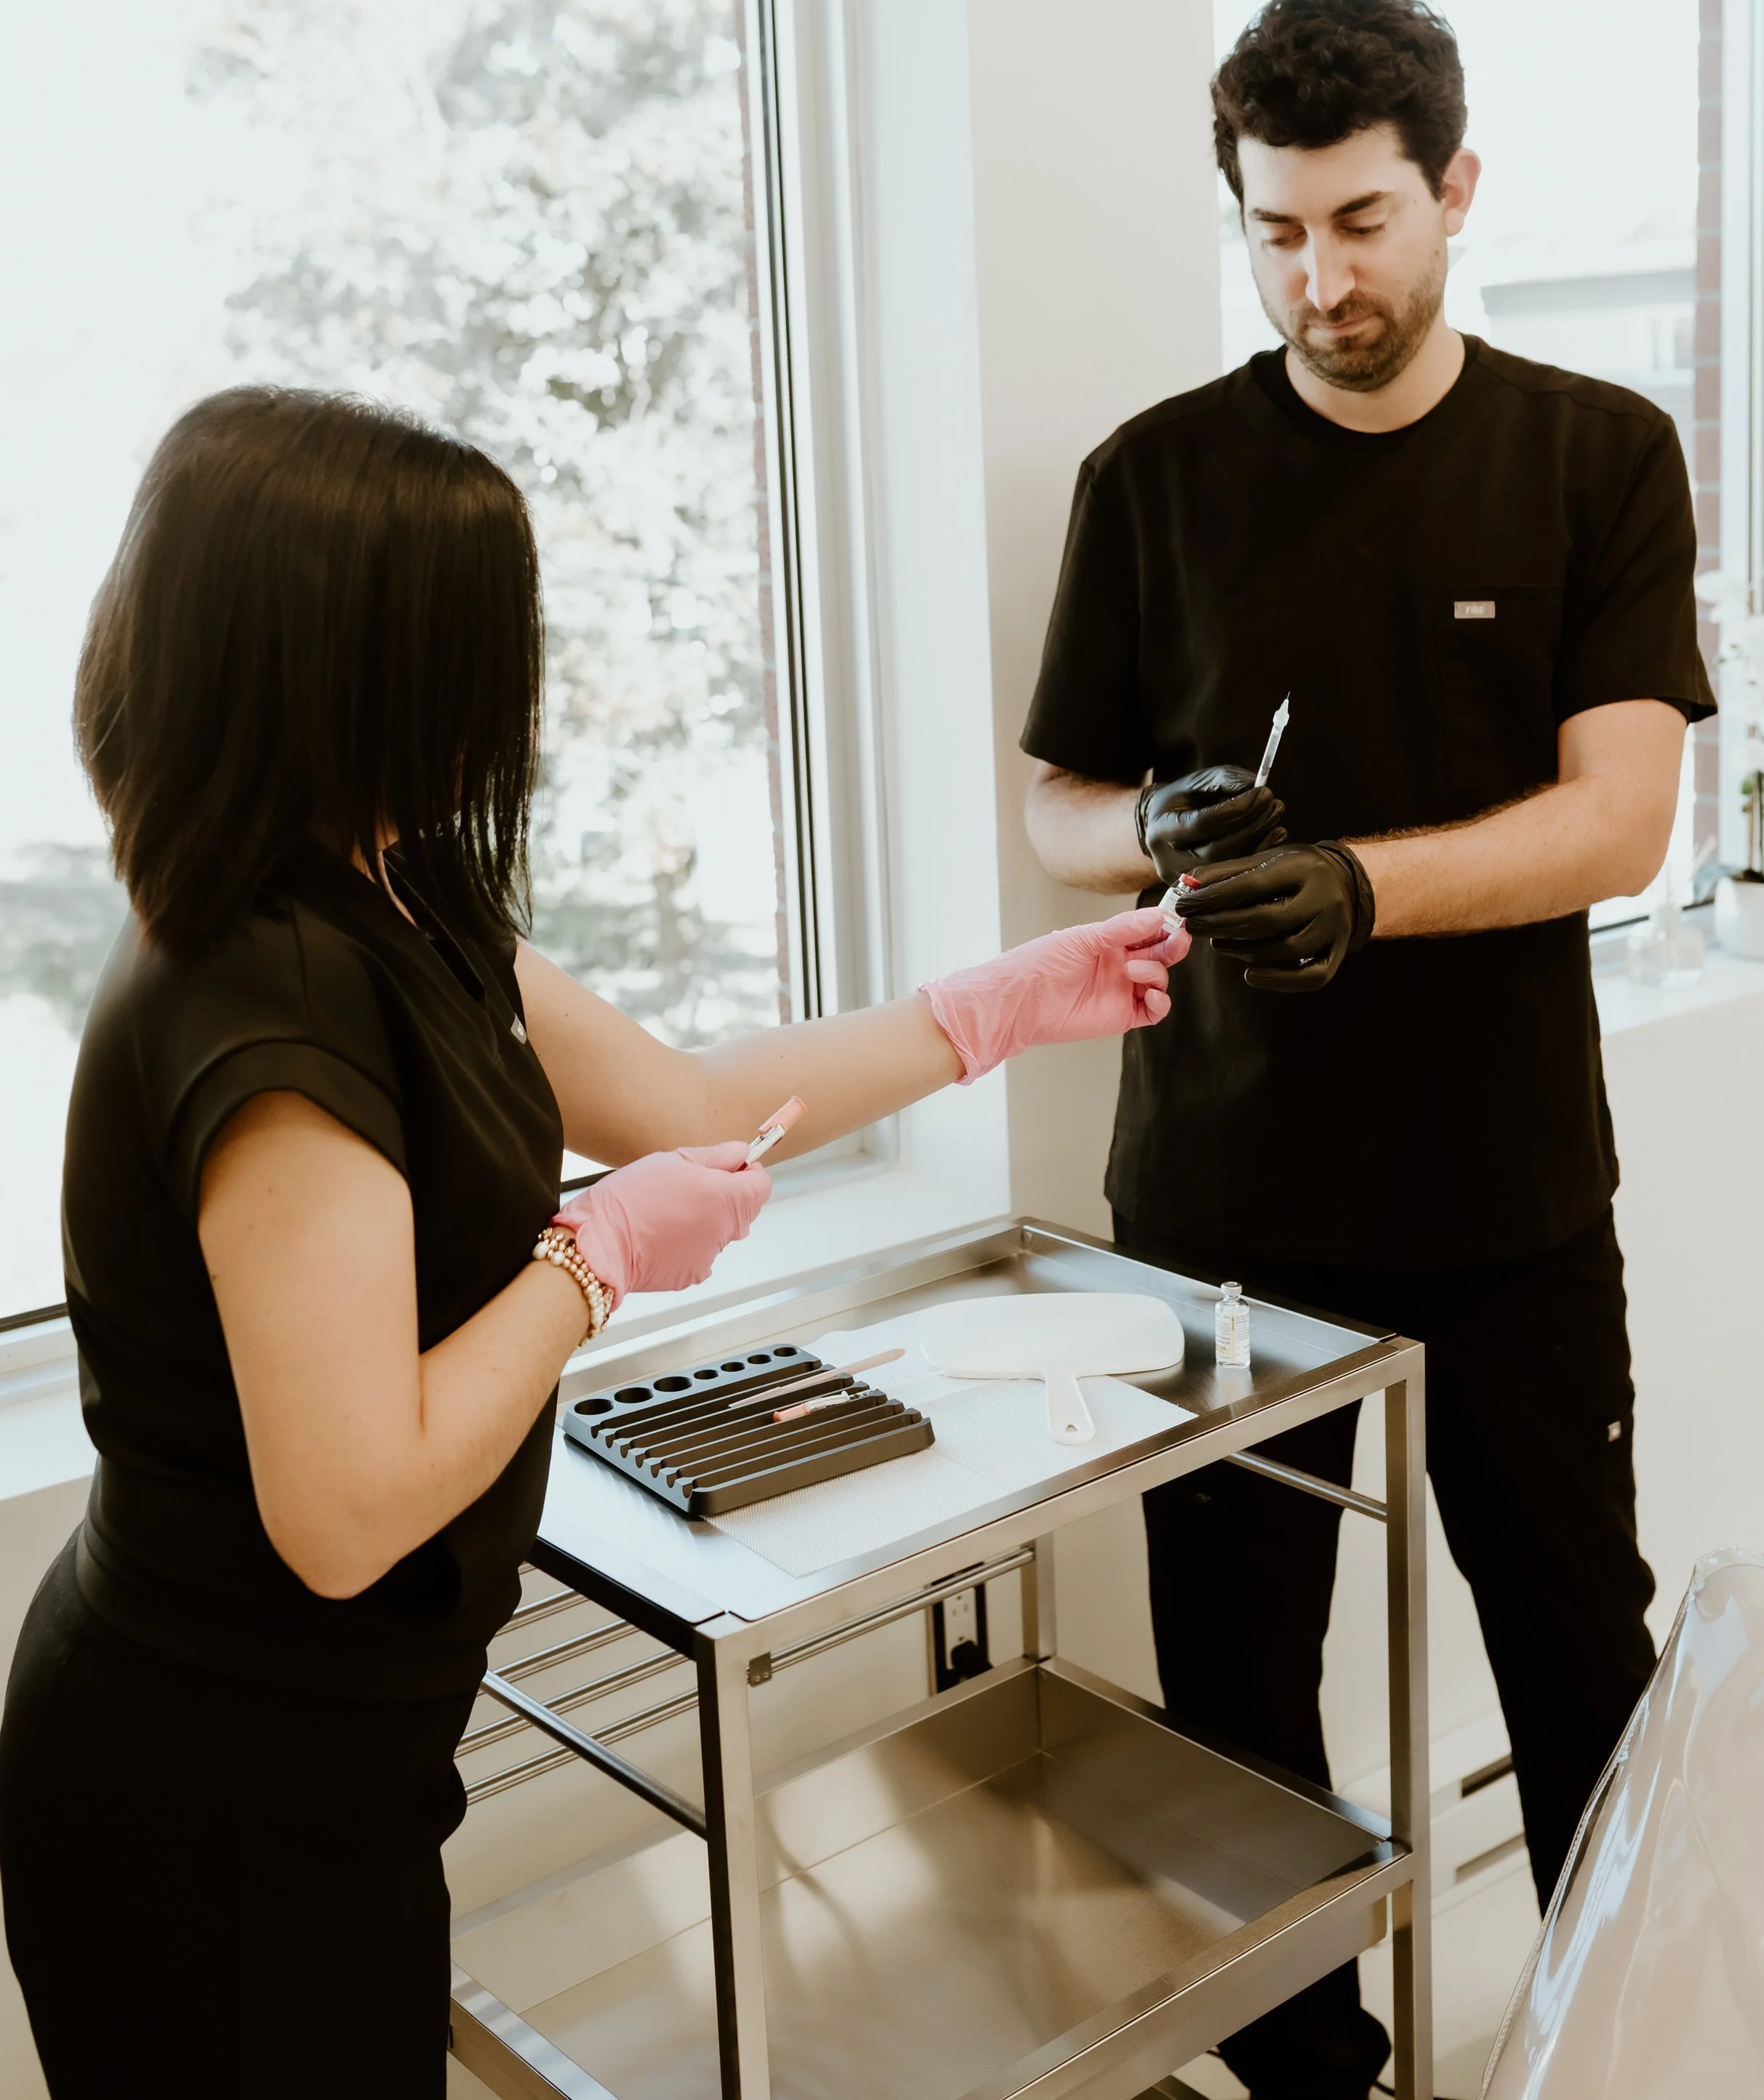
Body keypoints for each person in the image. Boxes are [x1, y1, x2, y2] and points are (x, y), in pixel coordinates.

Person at [0, 386, 1187, 2100]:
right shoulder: (262, 1009)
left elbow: (687, 1096)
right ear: (350, 669)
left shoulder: (393, 887)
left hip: (340, 1747)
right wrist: (589, 1262)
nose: (513, 710)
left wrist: (994, 1007)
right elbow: (341, 1511)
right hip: (214, 1785)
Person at [1022, 0, 1715, 2100]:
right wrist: (1135, 826)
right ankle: (1317, 2071)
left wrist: (1359, 884)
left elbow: (1622, 813)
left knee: (1578, 1659)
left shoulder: (1596, 454)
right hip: (1222, 1198)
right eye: (1274, 232)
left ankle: (1619, 2032)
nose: (1318, 276)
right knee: (1236, 1686)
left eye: (1357, 221)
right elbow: (1049, 803)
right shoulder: (1148, 480)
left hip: (1504, 1189)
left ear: (1453, 191)